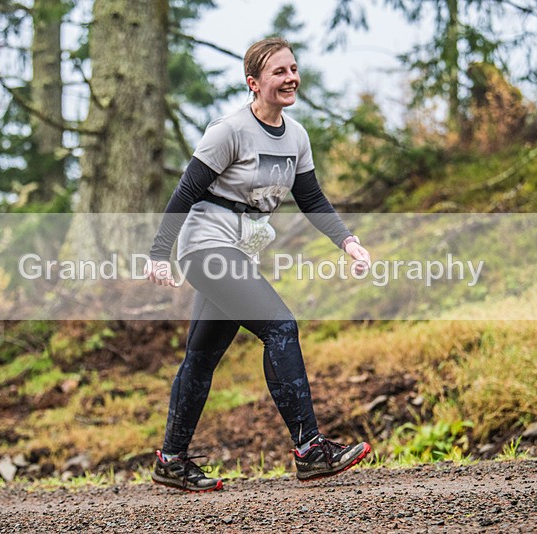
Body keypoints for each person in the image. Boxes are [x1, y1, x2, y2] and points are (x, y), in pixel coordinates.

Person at [145, 37, 373, 492]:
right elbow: (185, 193)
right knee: (281, 325)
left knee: (202, 356)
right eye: (278, 72)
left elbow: (311, 199)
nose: (290, 78)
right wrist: (158, 253)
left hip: (239, 250)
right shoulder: (228, 131)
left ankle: (171, 459)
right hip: (206, 246)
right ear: (254, 83)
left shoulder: (296, 136)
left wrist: (347, 241)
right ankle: (310, 448)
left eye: (293, 69)